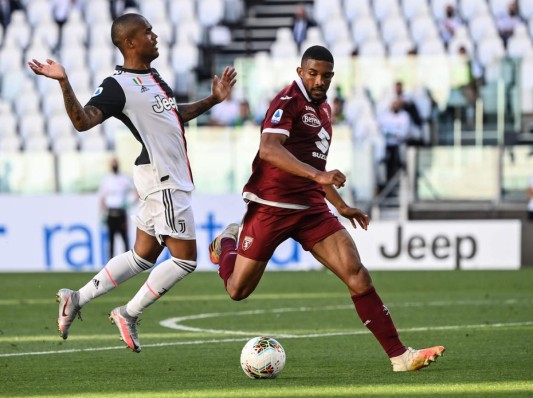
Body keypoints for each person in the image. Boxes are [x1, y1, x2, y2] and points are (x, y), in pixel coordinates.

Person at [208, 46, 445, 372]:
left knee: (356, 273)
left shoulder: (324, 110)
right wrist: (319, 175)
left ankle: (400, 356)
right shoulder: (287, 102)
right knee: (237, 290)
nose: (320, 80)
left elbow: (312, 165)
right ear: (300, 71)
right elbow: (268, 149)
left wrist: (341, 205)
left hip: (311, 207)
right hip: (272, 206)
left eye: (327, 75)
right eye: (313, 73)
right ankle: (227, 244)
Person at [28, 13, 237, 353]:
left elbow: (173, 114)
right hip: (163, 177)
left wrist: (213, 100)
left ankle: (76, 298)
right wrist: (64, 81)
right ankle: (129, 313)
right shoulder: (117, 85)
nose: (155, 36)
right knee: (185, 260)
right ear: (129, 42)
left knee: (143, 256)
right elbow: (83, 121)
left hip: (165, 176)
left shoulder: (153, 78)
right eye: (147, 32)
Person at [98, 157, 135, 261]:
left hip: (121, 213)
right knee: (111, 240)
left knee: (124, 239)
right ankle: (110, 262)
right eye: (112, 163)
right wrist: (101, 213)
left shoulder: (124, 178)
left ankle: (128, 262)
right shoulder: (107, 180)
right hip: (110, 213)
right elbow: (102, 198)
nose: (114, 165)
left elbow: (136, 190)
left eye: (115, 163)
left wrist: (131, 203)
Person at [378, 99, 411, 186]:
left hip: (399, 145)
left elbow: (404, 132)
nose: (395, 106)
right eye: (393, 104)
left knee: (399, 165)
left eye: (396, 104)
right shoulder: (385, 116)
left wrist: (393, 133)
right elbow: (381, 128)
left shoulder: (404, 116)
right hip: (387, 146)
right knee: (388, 166)